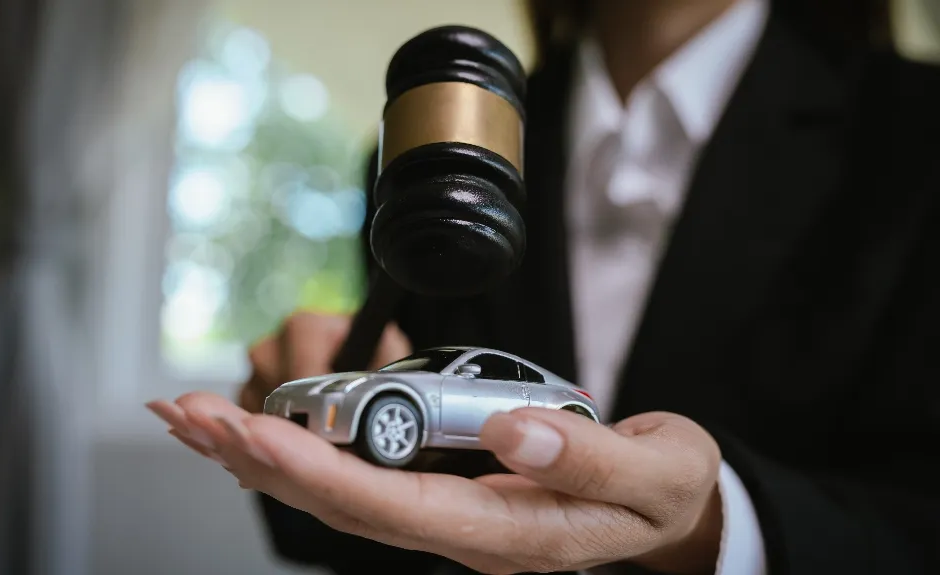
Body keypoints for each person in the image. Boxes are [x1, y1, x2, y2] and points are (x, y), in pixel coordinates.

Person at [146, 0, 940, 573]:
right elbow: (365, 535)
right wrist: (316, 433)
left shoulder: (916, 136)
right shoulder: (433, 153)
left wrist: (719, 524)